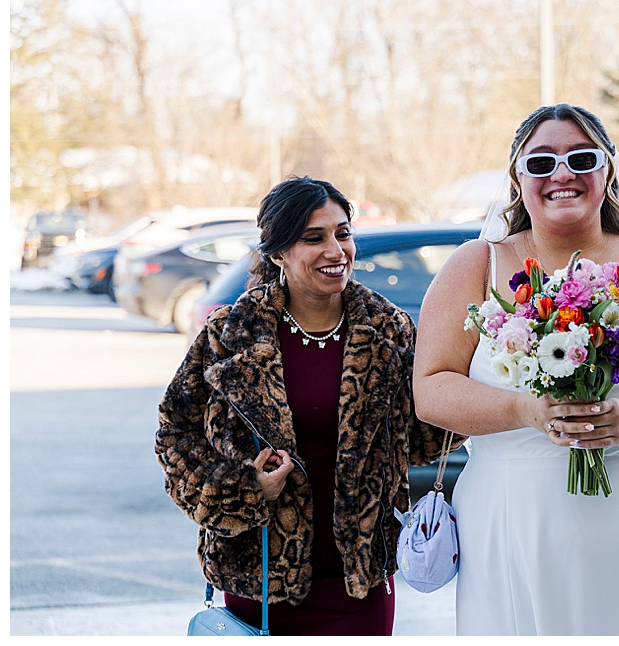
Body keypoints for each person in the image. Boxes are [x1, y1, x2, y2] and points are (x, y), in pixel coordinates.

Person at [412, 103, 619, 635]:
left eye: (580, 158)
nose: (561, 174)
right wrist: (524, 407)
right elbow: (431, 389)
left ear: (607, 171)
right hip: (516, 521)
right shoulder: (475, 266)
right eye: (540, 163)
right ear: (518, 180)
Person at [157, 176, 463, 635]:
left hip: (358, 582)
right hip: (259, 580)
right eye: (313, 238)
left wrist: (481, 367)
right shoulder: (232, 333)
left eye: (343, 233)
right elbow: (175, 434)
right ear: (278, 251)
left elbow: (425, 434)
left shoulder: (389, 331)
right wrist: (244, 488)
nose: (336, 251)